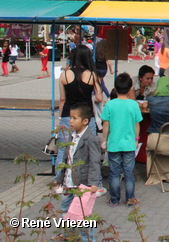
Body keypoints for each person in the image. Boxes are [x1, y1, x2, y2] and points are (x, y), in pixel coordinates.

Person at [56, 45, 104, 192]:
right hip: (86, 116)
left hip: (67, 115)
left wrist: (60, 117)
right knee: (91, 151)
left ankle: (59, 183)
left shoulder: (64, 75)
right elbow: (99, 97)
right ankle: (96, 184)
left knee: (64, 150)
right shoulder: (91, 75)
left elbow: (62, 99)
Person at [54, 102, 101, 242]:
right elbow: (65, 159)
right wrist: (59, 178)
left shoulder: (91, 139)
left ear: (85, 121)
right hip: (68, 184)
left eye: (74, 118)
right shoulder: (71, 136)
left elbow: (94, 162)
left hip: (82, 184)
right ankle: (69, 236)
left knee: (83, 216)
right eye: (70, 118)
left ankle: (88, 239)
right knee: (65, 210)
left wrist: (93, 183)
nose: (71, 121)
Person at [101, 73, 142, 206]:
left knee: (114, 173)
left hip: (113, 144)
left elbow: (105, 124)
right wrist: (136, 139)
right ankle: (130, 198)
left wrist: (104, 140)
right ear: (130, 87)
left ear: (115, 87)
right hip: (129, 144)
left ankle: (114, 199)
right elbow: (137, 124)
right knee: (129, 173)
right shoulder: (133, 105)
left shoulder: (109, 105)